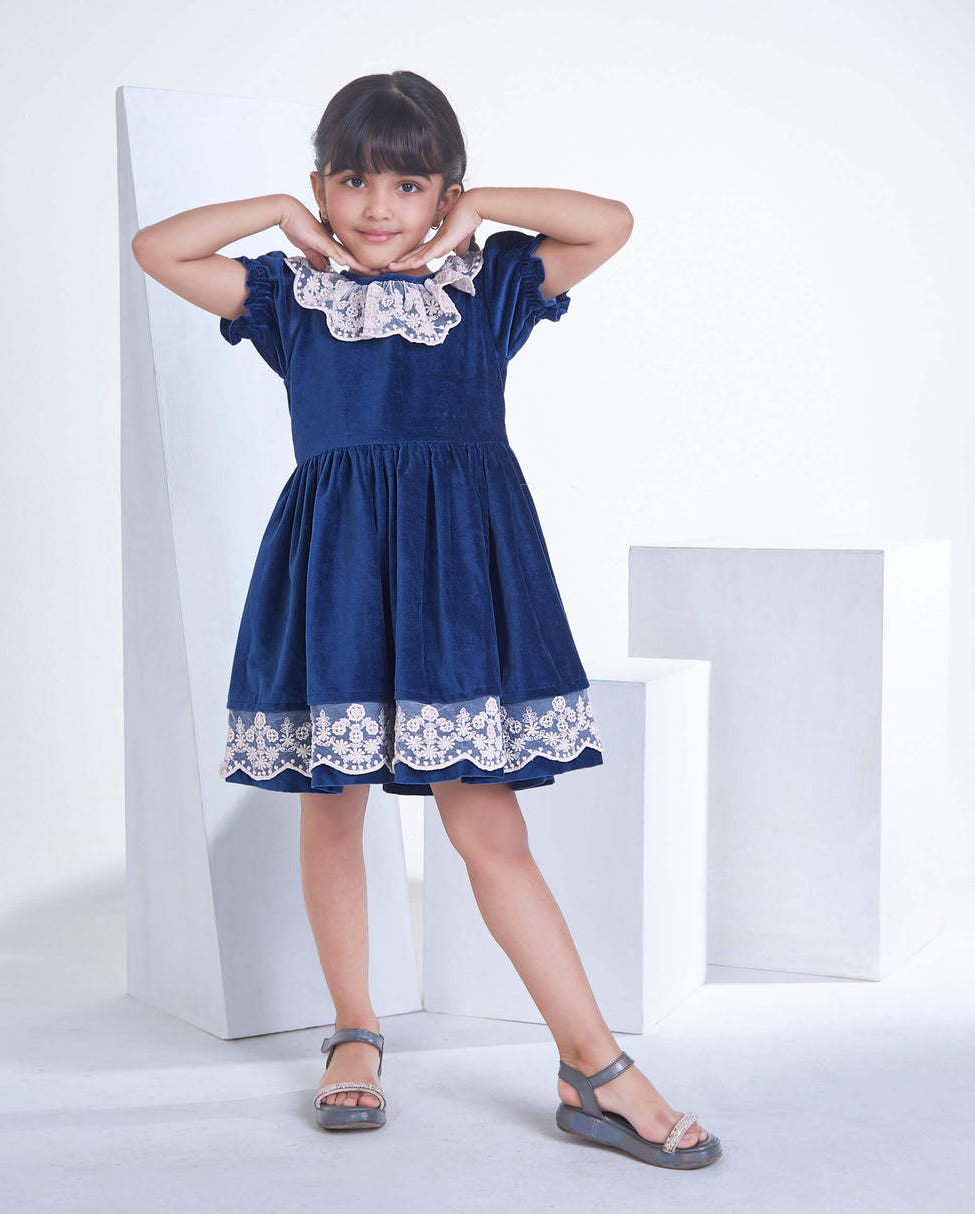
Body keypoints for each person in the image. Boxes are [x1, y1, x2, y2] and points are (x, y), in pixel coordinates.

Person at [132, 69, 720, 1168]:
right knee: (332, 804)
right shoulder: (287, 291)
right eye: (351, 180)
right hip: (339, 570)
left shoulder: (488, 283)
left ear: (441, 192)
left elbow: (612, 222)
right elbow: (157, 250)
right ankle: (353, 1031)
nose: (375, 207)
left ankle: (589, 1062)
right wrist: (275, 216)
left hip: (458, 577)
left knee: (487, 824)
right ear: (321, 185)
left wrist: (481, 206)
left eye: (407, 184)